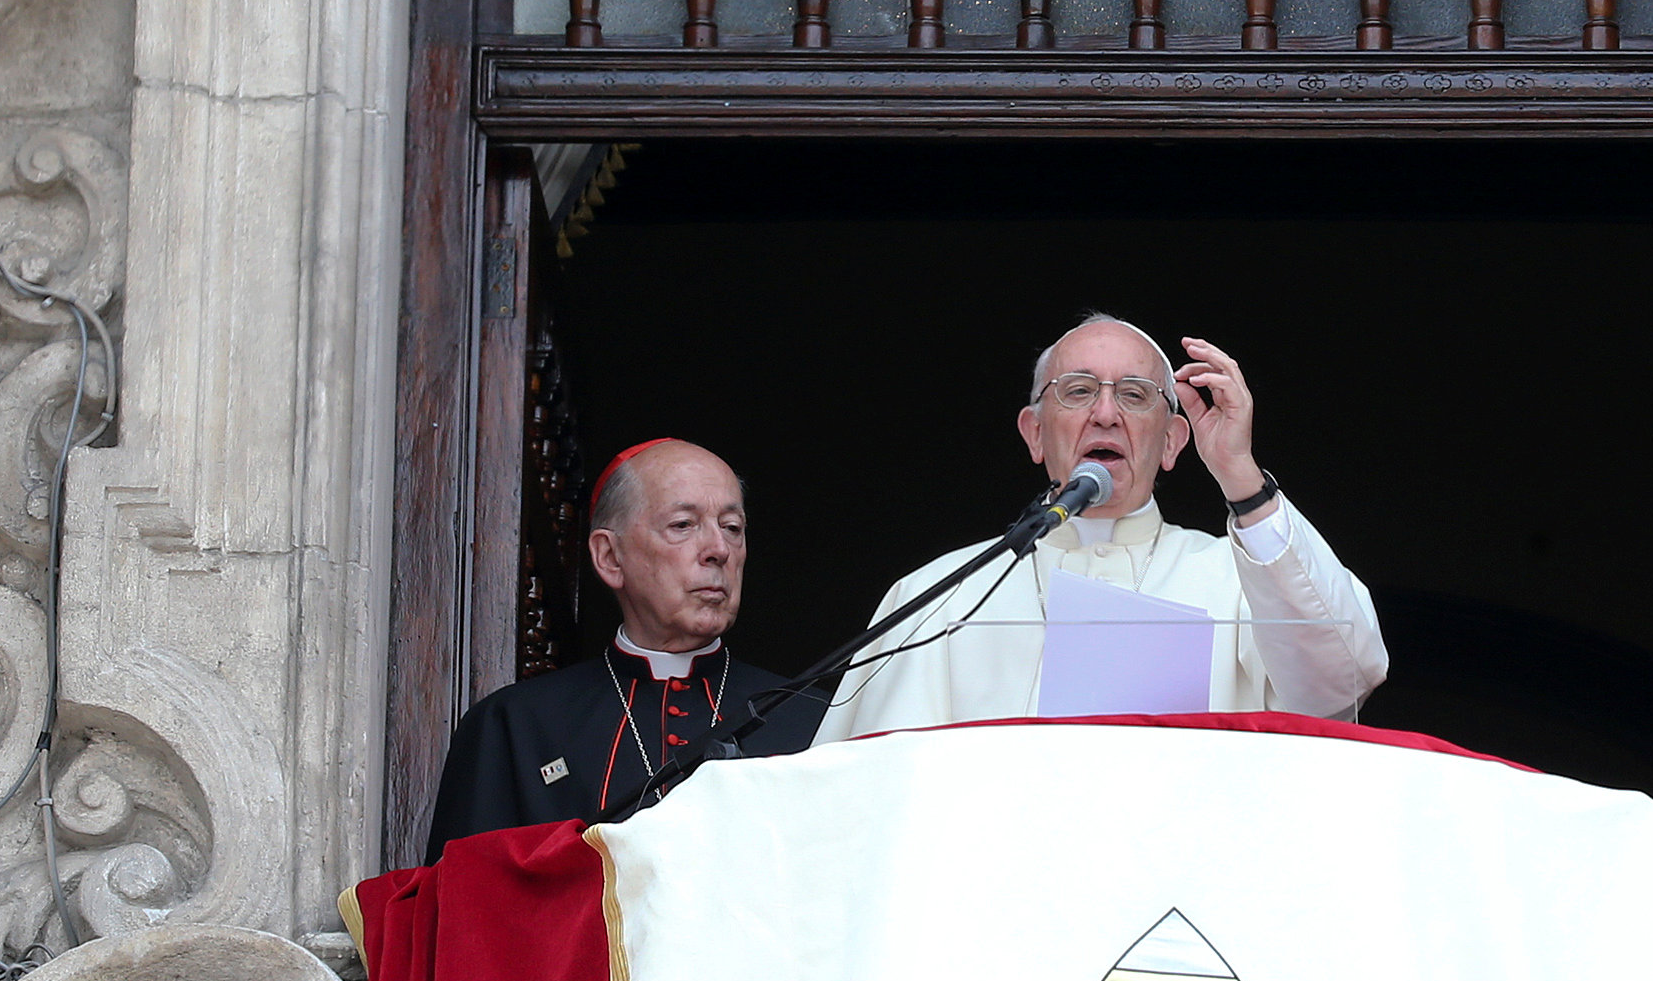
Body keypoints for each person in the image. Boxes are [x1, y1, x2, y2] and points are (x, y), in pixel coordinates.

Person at [817, 315, 1387, 741]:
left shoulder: (1237, 581)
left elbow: (1339, 685)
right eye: (1080, 391)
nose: (1106, 414)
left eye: (1136, 396)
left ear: (1172, 442)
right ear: (1035, 433)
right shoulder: (935, 596)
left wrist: (1240, 475)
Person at [425, 439, 825, 855]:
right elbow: (462, 906)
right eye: (683, 525)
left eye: (732, 528)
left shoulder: (814, 721)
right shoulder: (513, 726)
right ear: (610, 557)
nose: (719, 550)